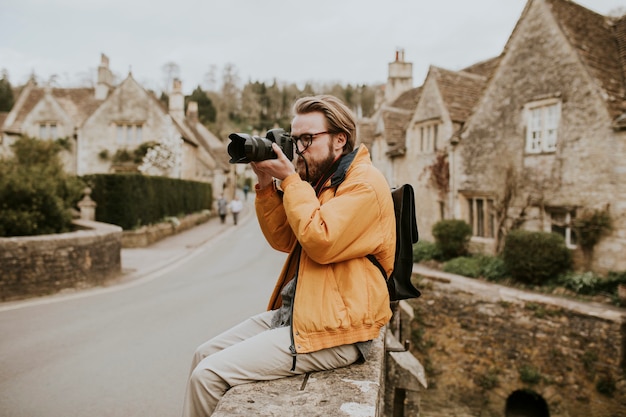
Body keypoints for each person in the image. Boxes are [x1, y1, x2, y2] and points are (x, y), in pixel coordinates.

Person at [182, 95, 395, 417]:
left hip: (341, 328)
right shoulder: (326, 180)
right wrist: (267, 184)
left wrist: (292, 181)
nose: (298, 149)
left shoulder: (363, 184)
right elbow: (284, 238)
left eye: (307, 139)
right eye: (294, 140)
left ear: (340, 139)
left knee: (209, 375)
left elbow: (321, 241)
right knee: (203, 354)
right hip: (305, 312)